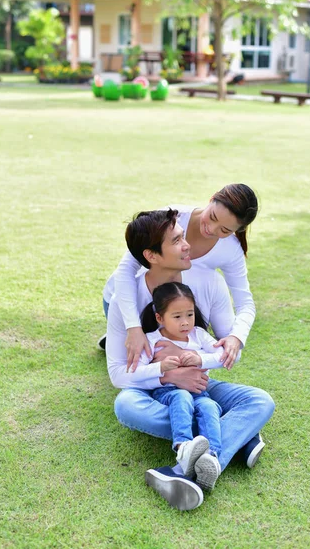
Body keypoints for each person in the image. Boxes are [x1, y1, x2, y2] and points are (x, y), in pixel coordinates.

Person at [106, 208, 275, 511]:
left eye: (183, 236)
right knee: (125, 405)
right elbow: (118, 375)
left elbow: (224, 348)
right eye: (176, 240)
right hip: (155, 391)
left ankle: (187, 470)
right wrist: (167, 375)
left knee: (261, 401)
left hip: (199, 385)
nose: (188, 245)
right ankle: (230, 436)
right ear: (152, 255)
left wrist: (199, 356)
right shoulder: (125, 300)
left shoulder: (209, 281)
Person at [102, 183, 258, 374]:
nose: (211, 229)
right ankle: (120, 335)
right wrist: (132, 326)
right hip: (125, 300)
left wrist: (236, 337)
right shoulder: (172, 220)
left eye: (224, 230)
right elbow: (126, 270)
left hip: (176, 304)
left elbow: (245, 303)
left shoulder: (230, 250)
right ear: (211, 199)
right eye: (213, 217)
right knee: (140, 359)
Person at [141, 281, 239, 491]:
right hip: (169, 391)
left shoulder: (198, 335)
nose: (185, 322)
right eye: (177, 317)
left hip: (199, 390)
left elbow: (222, 356)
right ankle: (184, 448)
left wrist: (199, 358)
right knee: (181, 398)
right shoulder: (152, 340)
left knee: (209, 407)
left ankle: (210, 457)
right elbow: (138, 370)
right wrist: (161, 367)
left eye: (190, 314)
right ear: (160, 318)